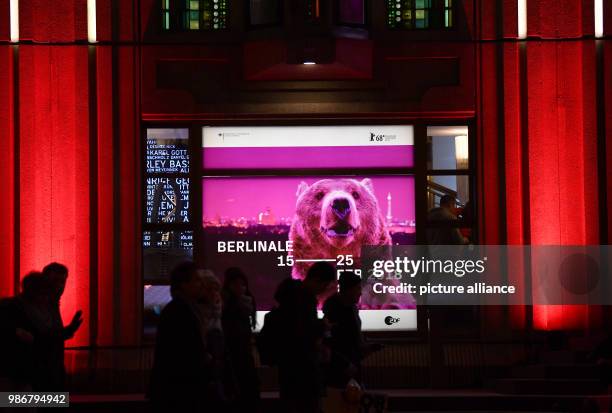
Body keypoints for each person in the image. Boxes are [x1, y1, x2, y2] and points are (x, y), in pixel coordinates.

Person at [274, 262, 337, 413]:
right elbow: (303, 332)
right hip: (303, 365)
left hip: (288, 365)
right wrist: (322, 326)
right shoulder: (304, 299)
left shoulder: (289, 297)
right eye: (324, 285)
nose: (324, 291)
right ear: (316, 280)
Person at [148, 261, 210, 413]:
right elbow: (183, 352)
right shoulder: (179, 311)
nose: (201, 284)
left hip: (179, 386)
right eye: (196, 280)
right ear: (183, 284)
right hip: (180, 387)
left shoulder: (183, 309)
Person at [323, 272, 382, 388]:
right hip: (339, 370)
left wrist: (366, 347)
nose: (360, 293)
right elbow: (329, 342)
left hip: (352, 366)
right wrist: (343, 364)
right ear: (348, 290)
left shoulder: (352, 308)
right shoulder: (333, 308)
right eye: (358, 288)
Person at [222, 267, 260, 412]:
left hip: (241, 356)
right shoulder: (229, 306)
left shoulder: (242, 304)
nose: (240, 288)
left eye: (243, 284)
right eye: (236, 284)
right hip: (233, 358)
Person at [41, 262, 83, 390]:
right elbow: (44, 337)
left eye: (62, 281)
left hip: (52, 370)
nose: (59, 286)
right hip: (45, 372)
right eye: (55, 281)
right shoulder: (43, 305)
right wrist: (69, 330)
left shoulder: (51, 304)